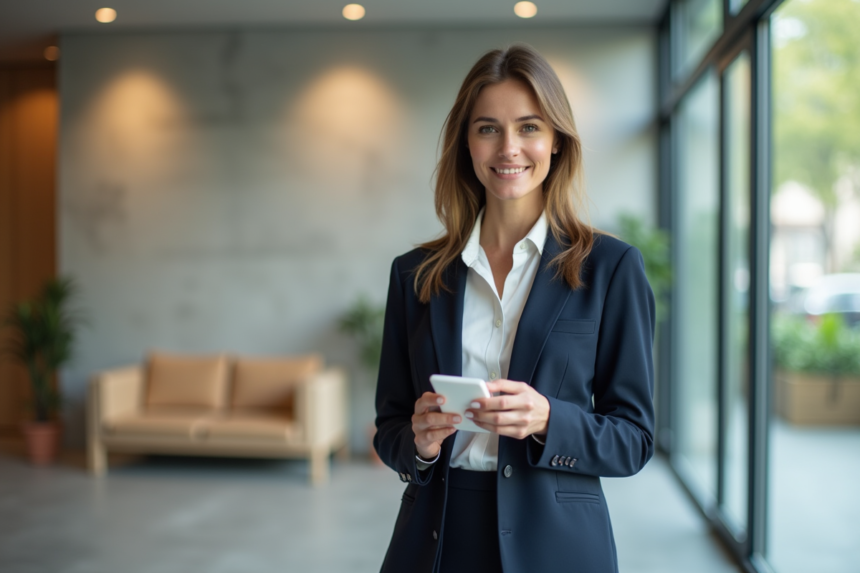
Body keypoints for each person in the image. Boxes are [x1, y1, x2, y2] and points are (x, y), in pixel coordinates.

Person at [374, 44, 655, 573]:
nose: (509, 148)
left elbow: (634, 440)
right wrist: (421, 443)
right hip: (435, 540)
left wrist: (550, 419)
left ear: (555, 142)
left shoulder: (611, 267)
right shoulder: (414, 274)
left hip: (557, 546)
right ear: (467, 144)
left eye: (529, 127)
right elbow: (389, 427)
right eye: (487, 128)